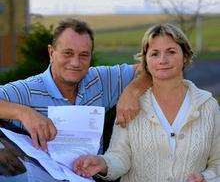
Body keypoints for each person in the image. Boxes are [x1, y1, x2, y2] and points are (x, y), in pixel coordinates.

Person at [73, 23, 220, 182]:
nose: (163, 60)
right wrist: (103, 164)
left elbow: (218, 164)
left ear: (185, 56)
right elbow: (120, 156)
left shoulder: (208, 106)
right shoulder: (130, 104)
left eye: (171, 51)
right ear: (145, 60)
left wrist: (205, 180)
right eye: (155, 54)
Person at [0, 18, 150, 151]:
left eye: (84, 55)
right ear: (51, 53)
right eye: (68, 53)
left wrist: (132, 91)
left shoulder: (100, 80)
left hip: (93, 181)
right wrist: (25, 114)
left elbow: (153, 67)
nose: (75, 63)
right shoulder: (28, 90)